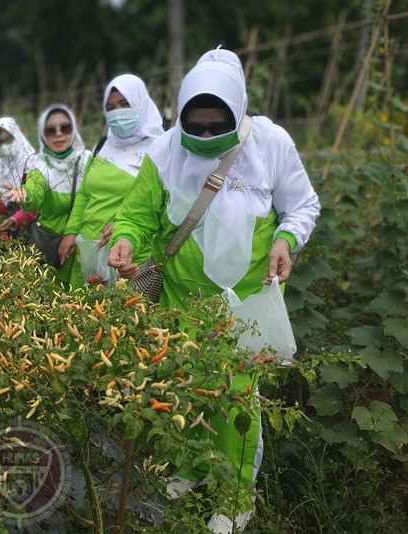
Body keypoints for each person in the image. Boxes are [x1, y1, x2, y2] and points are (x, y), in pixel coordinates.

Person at [108, 47, 320, 532]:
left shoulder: (270, 143)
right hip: (185, 297)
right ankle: (192, 466)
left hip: (247, 301)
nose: (203, 136)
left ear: (239, 113)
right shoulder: (164, 151)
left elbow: (303, 204)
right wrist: (125, 238)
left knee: (236, 398)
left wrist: (286, 239)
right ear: (179, 116)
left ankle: (234, 494)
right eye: (194, 126)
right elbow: (139, 214)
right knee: (183, 385)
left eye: (214, 126)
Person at [61, 73, 165, 288]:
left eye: (125, 104)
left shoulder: (160, 151)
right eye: (111, 107)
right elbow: (85, 194)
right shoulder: (103, 145)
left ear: (141, 104)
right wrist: (71, 232)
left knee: (118, 315)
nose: (118, 113)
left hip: (128, 259)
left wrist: (122, 225)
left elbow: (159, 207)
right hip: (88, 254)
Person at [2, 103, 90, 286]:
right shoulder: (40, 165)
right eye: (50, 130)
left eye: (65, 128)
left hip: (86, 248)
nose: (58, 133)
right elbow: (35, 189)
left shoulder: (89, 161)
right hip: (52, 248)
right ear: (43, 135)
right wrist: (26, 194)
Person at [0, 117, 37, 239]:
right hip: (14, 224)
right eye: (0, 143)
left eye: (7, 140)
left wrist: (13, 220)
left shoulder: (31, 162)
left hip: (32, 227)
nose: (4, 146)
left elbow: (35, 207)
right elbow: (6, 203)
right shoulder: (3, 164)